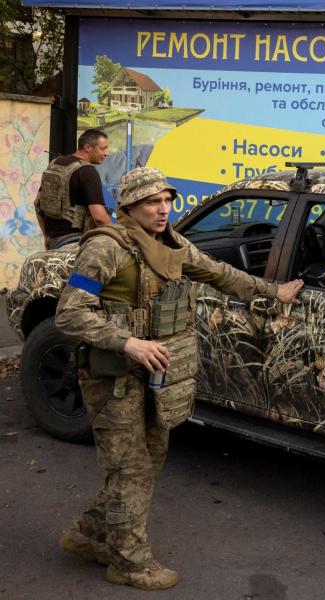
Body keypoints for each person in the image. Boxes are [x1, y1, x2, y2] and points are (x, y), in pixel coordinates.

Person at [54, 167, 303, 590]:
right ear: (129, 205)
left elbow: (218, 272)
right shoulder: (105, 248)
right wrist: (127, 342)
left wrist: (271, 291)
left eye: (167, 200)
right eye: (153, 202)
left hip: (155, 376)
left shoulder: (170, 242)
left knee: (148, 457)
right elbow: (70, 312)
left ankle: (89, 534)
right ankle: (129, 563)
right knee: (130, 467)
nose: (163, 208)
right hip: (113, 375)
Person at [35, 128, 113, 249]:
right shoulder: (87, 171)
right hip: (78, 244)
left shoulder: (55, 164)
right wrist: (116, 239)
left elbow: (37, 203)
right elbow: (99, 217)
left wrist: (46, 236)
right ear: (87, 148)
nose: (106, 153)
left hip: (54, 242)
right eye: (102, 149)